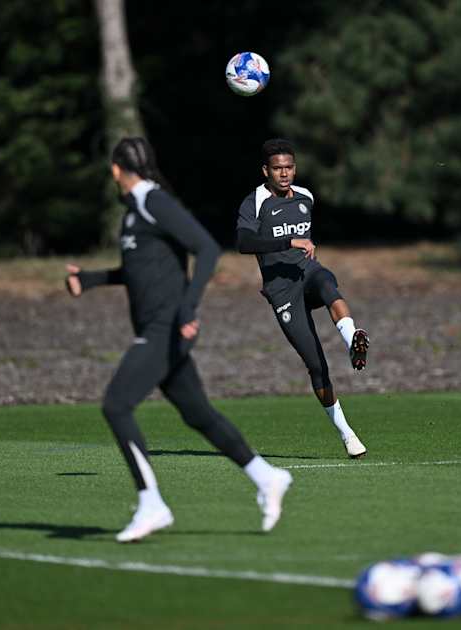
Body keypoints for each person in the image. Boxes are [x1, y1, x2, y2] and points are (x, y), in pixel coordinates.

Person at [66, 137, 292, 542]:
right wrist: (90, 279)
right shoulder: (133, 213)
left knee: (116, 405)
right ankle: (266, 476)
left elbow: (207, 249)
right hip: (158, 330)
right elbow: (137, 270)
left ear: (116, 170)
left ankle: (151, 503)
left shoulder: (154, 202)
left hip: (167, 329)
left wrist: (187, 309)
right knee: (198, 414)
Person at [236, 138, 369, 459]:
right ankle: (347, 434)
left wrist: (302, 246)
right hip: (281, 290)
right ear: (265, 170)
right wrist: (289, 241)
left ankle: (354, 339)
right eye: (278, 168)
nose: (284, 173)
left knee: (326, 282)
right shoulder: (255, 201)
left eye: (289, 167)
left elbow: (304, 238)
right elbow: (243, 242)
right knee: (316, 366)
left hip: (306, 272)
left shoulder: (306, 196)